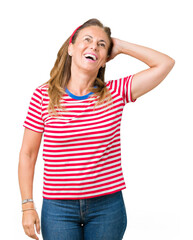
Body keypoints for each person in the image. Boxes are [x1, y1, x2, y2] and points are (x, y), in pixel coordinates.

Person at [18, 18, 175, 240]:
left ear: (104, 60)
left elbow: (166, 63)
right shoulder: (43, 96)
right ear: (71, 48)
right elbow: (28, 154)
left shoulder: (115, 92)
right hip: (58, 209)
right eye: (87, 40)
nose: (94, 46)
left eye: (102, 44)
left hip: (107, 208)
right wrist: (27, 206)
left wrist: (119, 45)